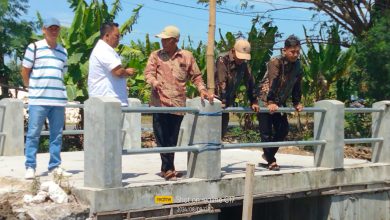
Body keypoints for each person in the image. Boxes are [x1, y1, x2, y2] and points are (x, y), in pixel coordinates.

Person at [144, 25, 213, 181]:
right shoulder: (155, 55)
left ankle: (169, 168)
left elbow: (196, 76)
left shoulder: (186, 56)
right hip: (159, 103)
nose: (162, 42)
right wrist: (154, 82)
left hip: (177, 103)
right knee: (161, 137)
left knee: (172, 137)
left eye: (166, 39)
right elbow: (148, 73)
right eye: (162, 39)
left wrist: (202, 89)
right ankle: (167, 168)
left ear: (175, 40)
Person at [21, 18, 72, 179]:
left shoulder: (63, 51)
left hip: (58, 100)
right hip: (39, 99)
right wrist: (31, 89)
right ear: (44, 30)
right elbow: (25, 71)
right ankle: (30, 166)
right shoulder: (34, 47)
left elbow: (62, 74)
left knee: (56, 135)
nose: (54, 31)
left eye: (56, 28)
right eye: (50, 28)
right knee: (33, 134)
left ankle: (55, 166)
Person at [257, 35, 304, 171]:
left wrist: (296, 102)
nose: (295, 55)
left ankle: (268, 155)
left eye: (297, 52)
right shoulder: (275, 61)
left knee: (283, 129)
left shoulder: (298, 65)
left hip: (279, 101)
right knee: (266, 132)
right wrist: (270, 101)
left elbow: (297, 84)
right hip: (265, 99)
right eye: (292, 52)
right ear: (285, 50)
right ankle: (271, 160)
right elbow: (274, 80)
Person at [214, 39, 259, 137]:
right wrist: (223, 100)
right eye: (240, 57)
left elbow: (250, 81)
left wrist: (254, 100)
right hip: (215, 101)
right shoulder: (222, 59)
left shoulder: (244, 64)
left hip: (226, 103)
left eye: (244, 58)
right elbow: (221, 81)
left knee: (220, 134)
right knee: (210, 135)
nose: (241, 60)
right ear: (233, 50)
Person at [88, 22, 135, 106]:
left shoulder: (106, 49)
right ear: (106, 36)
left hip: (111, 103)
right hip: (108, 103)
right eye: (116, 36)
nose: (118, 40)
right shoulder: (103, 49)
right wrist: (128, 72)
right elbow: (118, 72)